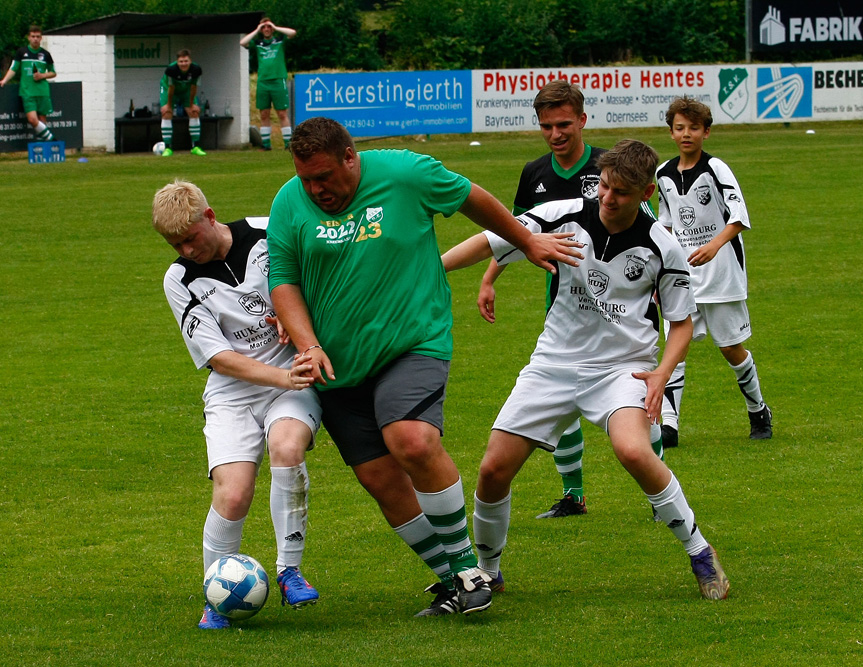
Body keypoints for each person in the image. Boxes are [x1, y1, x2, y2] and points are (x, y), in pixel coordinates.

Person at [266, 116, 580, 616]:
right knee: (380, 480)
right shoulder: (289, 201)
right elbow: (283, 280)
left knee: (410, 438)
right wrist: (307, 345)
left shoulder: (406, 173)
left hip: (413, 341)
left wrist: (525, 239)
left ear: (351, 157)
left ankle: (467, 568)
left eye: (324, 176)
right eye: (306, 178)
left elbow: (471, 196)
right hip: (337, 366)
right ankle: (453, 580)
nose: (315, 189)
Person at [442, 139, 730, 601]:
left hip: (622, 368)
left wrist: (662, 374)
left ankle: (699, 551)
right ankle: (489, 571)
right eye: (605, 187)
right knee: (493, 469)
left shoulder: (663, 247)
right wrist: (437, 269)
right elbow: (489, 241)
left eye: (620, 191)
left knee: (634, 453)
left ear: (646, 194)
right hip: (553, 364)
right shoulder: (562, 213)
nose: (607, 198)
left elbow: (681, 324)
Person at [153, 180, 322, 630]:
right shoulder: (179, 279)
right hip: (234, 392)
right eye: (175, 244)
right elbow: (220, 359)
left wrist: (295, 317)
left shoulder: (269, 232)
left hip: (294, 380)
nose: (186, 250)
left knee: (287, 448)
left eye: (191, 237)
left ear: (210, 217)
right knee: (233, 493)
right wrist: (282, 374)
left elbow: (317, 276)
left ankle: (289, 570)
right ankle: (217, 595)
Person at [655, 96, 772, 443]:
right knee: (675, 351)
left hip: (721, 276)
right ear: (671, 132)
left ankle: (758, 411)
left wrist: (713, 245)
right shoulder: (663, 174)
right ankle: (669, 426)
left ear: (706, 132)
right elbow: (665, 225)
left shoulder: (715, 168)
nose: (686, 134)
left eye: (693, 128)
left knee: (731, 350)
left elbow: (739, 217)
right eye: (679, 128)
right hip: (682, 278)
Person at [241, 18, 296, 151]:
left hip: (278, 80)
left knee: (282, 113)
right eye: (264, 27)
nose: (266, 29)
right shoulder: (258, 43)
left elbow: (292, 33)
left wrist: (275, 27)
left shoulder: (279, 41)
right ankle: (266, 145)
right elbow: (243, 42)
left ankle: (288, 144)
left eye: (268, 27)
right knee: (264, 113)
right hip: (263, 82)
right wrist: (257, 29)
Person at [0, 25, 57, 142]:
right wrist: (4, 80)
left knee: (42, 119)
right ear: (28, 38)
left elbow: (53, 72)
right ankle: (52, 139)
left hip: (42, 91)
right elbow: (14, 68)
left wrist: (42, 75)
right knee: (32, 119)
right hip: (27, 91)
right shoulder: (22, 52)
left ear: (41, 38)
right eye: (33, 36)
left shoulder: (45, 54)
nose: (35, 39)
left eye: (38, 36)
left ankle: (44, 150)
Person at [158, 50, 206, 156]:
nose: (183, 64)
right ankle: (168, 148)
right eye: (181, 61)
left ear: (190, 61)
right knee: (167, 113)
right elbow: (171, 89)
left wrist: (191, 104)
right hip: (168, 90)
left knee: (194, 112)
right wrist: (169, 106)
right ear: (177, 62)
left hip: (186, 90)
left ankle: (195, 146)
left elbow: (194, 87)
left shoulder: (196, 70)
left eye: (186, 61)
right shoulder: (171, 70)